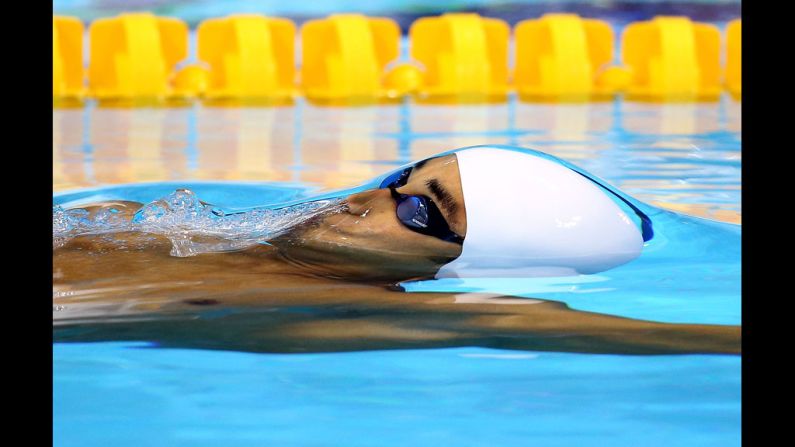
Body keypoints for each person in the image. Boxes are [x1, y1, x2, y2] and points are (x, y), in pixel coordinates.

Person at [53, 146, 739, 355]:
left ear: (454, 266)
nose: (362, 199)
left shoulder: (328, 305)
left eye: (417, 210)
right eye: (396, 181)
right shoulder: (154, 218)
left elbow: (519, 323)